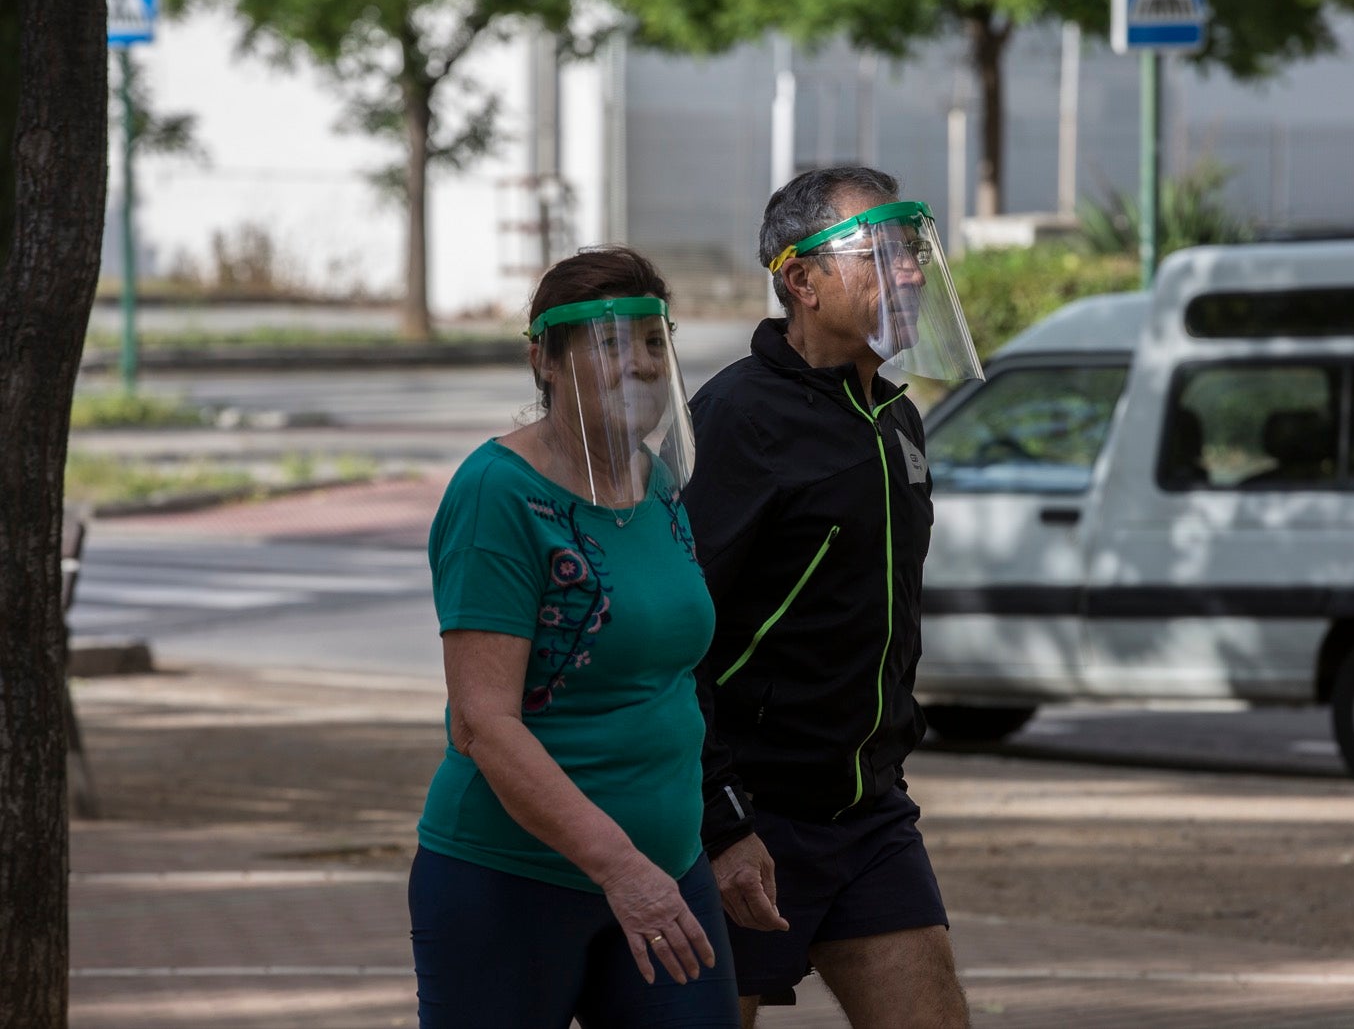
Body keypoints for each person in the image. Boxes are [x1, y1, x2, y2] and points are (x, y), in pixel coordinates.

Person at [681, 166, 985, 1028]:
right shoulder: (739, 419)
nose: (915, 273)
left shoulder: (896, 418)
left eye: (915, 250)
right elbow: (675, 639)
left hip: (870, 817)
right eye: (884, 252)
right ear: (801, 280)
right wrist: (720, 817)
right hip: (743, 819)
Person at [409, 246, 740, 1028]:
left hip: (670, 863)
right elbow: (484, 724)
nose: (640, 362)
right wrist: (620, 866)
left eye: (653, 340)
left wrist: (727, 828)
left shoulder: (654, 476)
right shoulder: (498, 491)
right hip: (511, 880)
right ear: (544, 359)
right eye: (607, 342)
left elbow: (671, 675)